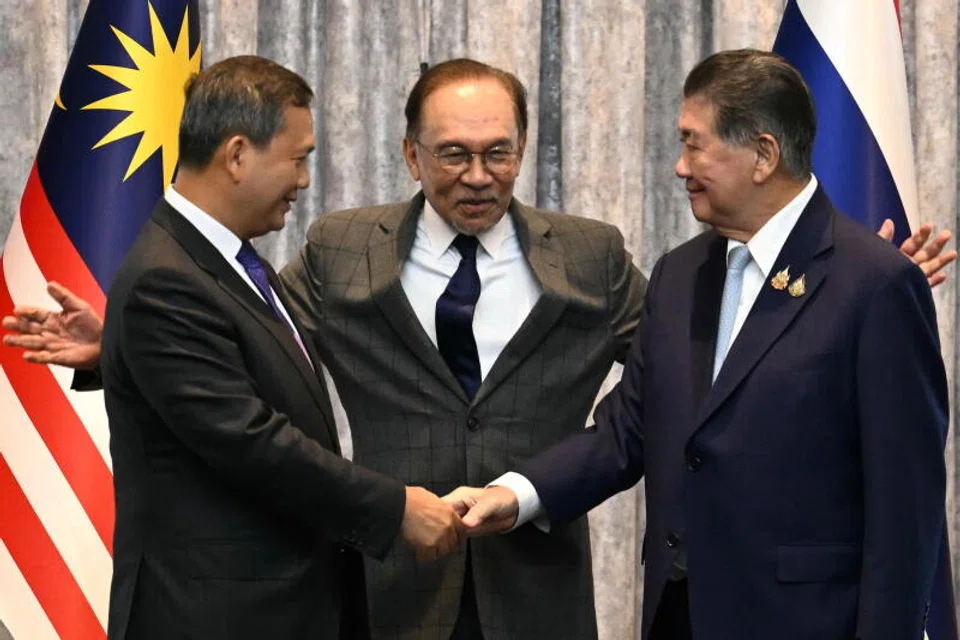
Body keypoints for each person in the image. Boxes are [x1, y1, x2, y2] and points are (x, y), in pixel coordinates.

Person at [2, 56, 955, 640]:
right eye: (453, 154)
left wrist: (845, 289)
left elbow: (681, 384)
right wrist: (116, 347)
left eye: (498, 151)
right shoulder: (343, 247)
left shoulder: (597, 257)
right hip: (389, 593)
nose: (477, 174)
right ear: (412, 157)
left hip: (538, 594)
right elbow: (255, 339)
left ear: (523, 150)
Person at [449, 49, 949, 640]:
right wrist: (516, 494)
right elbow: (626, 430)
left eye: (694, 144)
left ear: (763, 154)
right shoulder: (680, 273)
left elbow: (905, 506)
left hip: (803, 621)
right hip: (679, 615)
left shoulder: (874, 284)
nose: (680, 167)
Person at [73, 55, 463, 640]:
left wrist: (113, 351)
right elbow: (251, 441)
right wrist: (395, 508)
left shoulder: (226, 261)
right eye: (298, 159)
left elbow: (231, 374)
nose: (304, 181)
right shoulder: (168, 278)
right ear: (236, 155)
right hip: (216, 618)